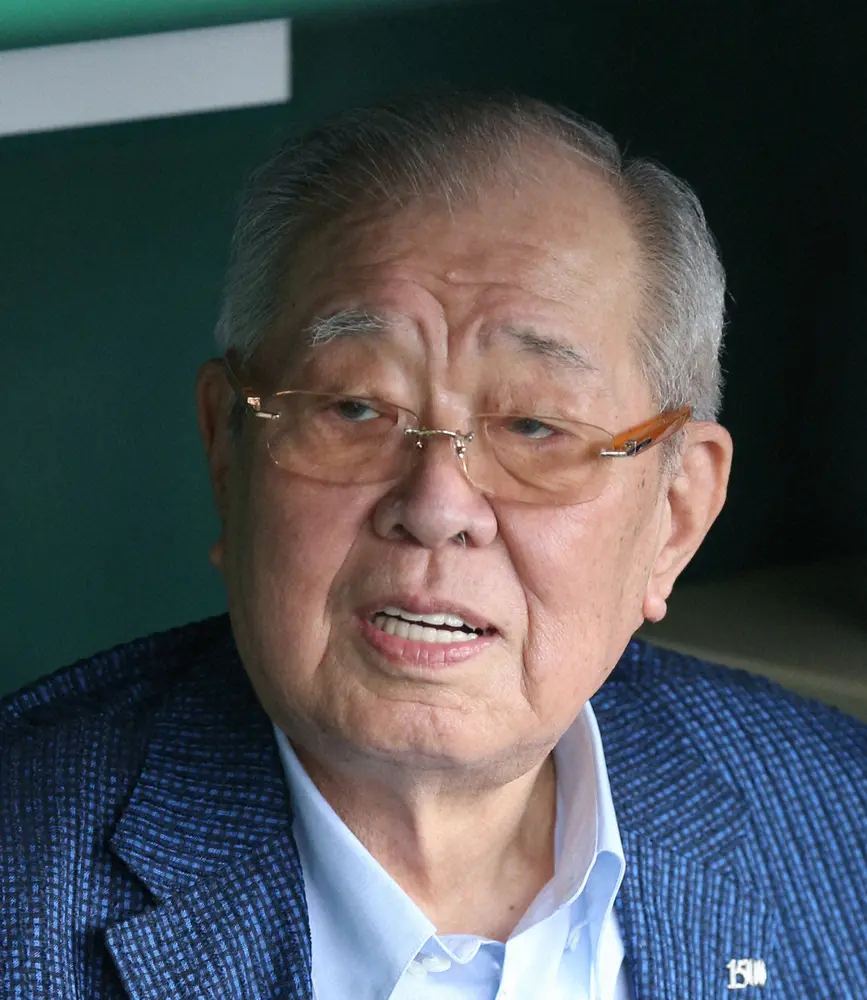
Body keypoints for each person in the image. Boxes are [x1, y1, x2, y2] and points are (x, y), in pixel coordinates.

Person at [2, 92, 865, 1000]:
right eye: (354, 408)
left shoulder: (837, 823)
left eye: (533, 427)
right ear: (228, 453)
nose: (437, 505)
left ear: (675, 516)